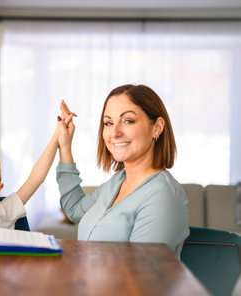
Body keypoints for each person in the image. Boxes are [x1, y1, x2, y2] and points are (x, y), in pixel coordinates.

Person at [56, 84, 189, 258]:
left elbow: (138, 274)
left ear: (157, 127)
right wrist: (65, 146)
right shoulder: (117, 182)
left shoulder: (163, 195)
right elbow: (74, 210)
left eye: (128, 120)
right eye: (108, 123)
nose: (115, 132)